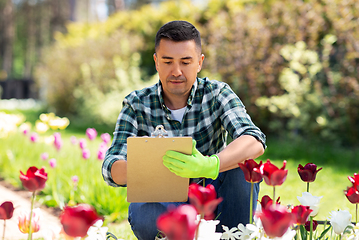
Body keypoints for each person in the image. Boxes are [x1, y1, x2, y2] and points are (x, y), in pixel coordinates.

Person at [102, 20, 266, 240]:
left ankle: (231, 237)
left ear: (199, 62)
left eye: (186, 62)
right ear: (156, 62)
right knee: (147, 208)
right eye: (167, 61)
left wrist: (211, 164)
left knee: (242, 168)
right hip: (163, 199)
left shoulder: (217, 93)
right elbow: (110, 166)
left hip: (213, 196)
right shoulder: (137, 103)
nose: (176, 71)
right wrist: (148, 167)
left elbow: (253, 139)